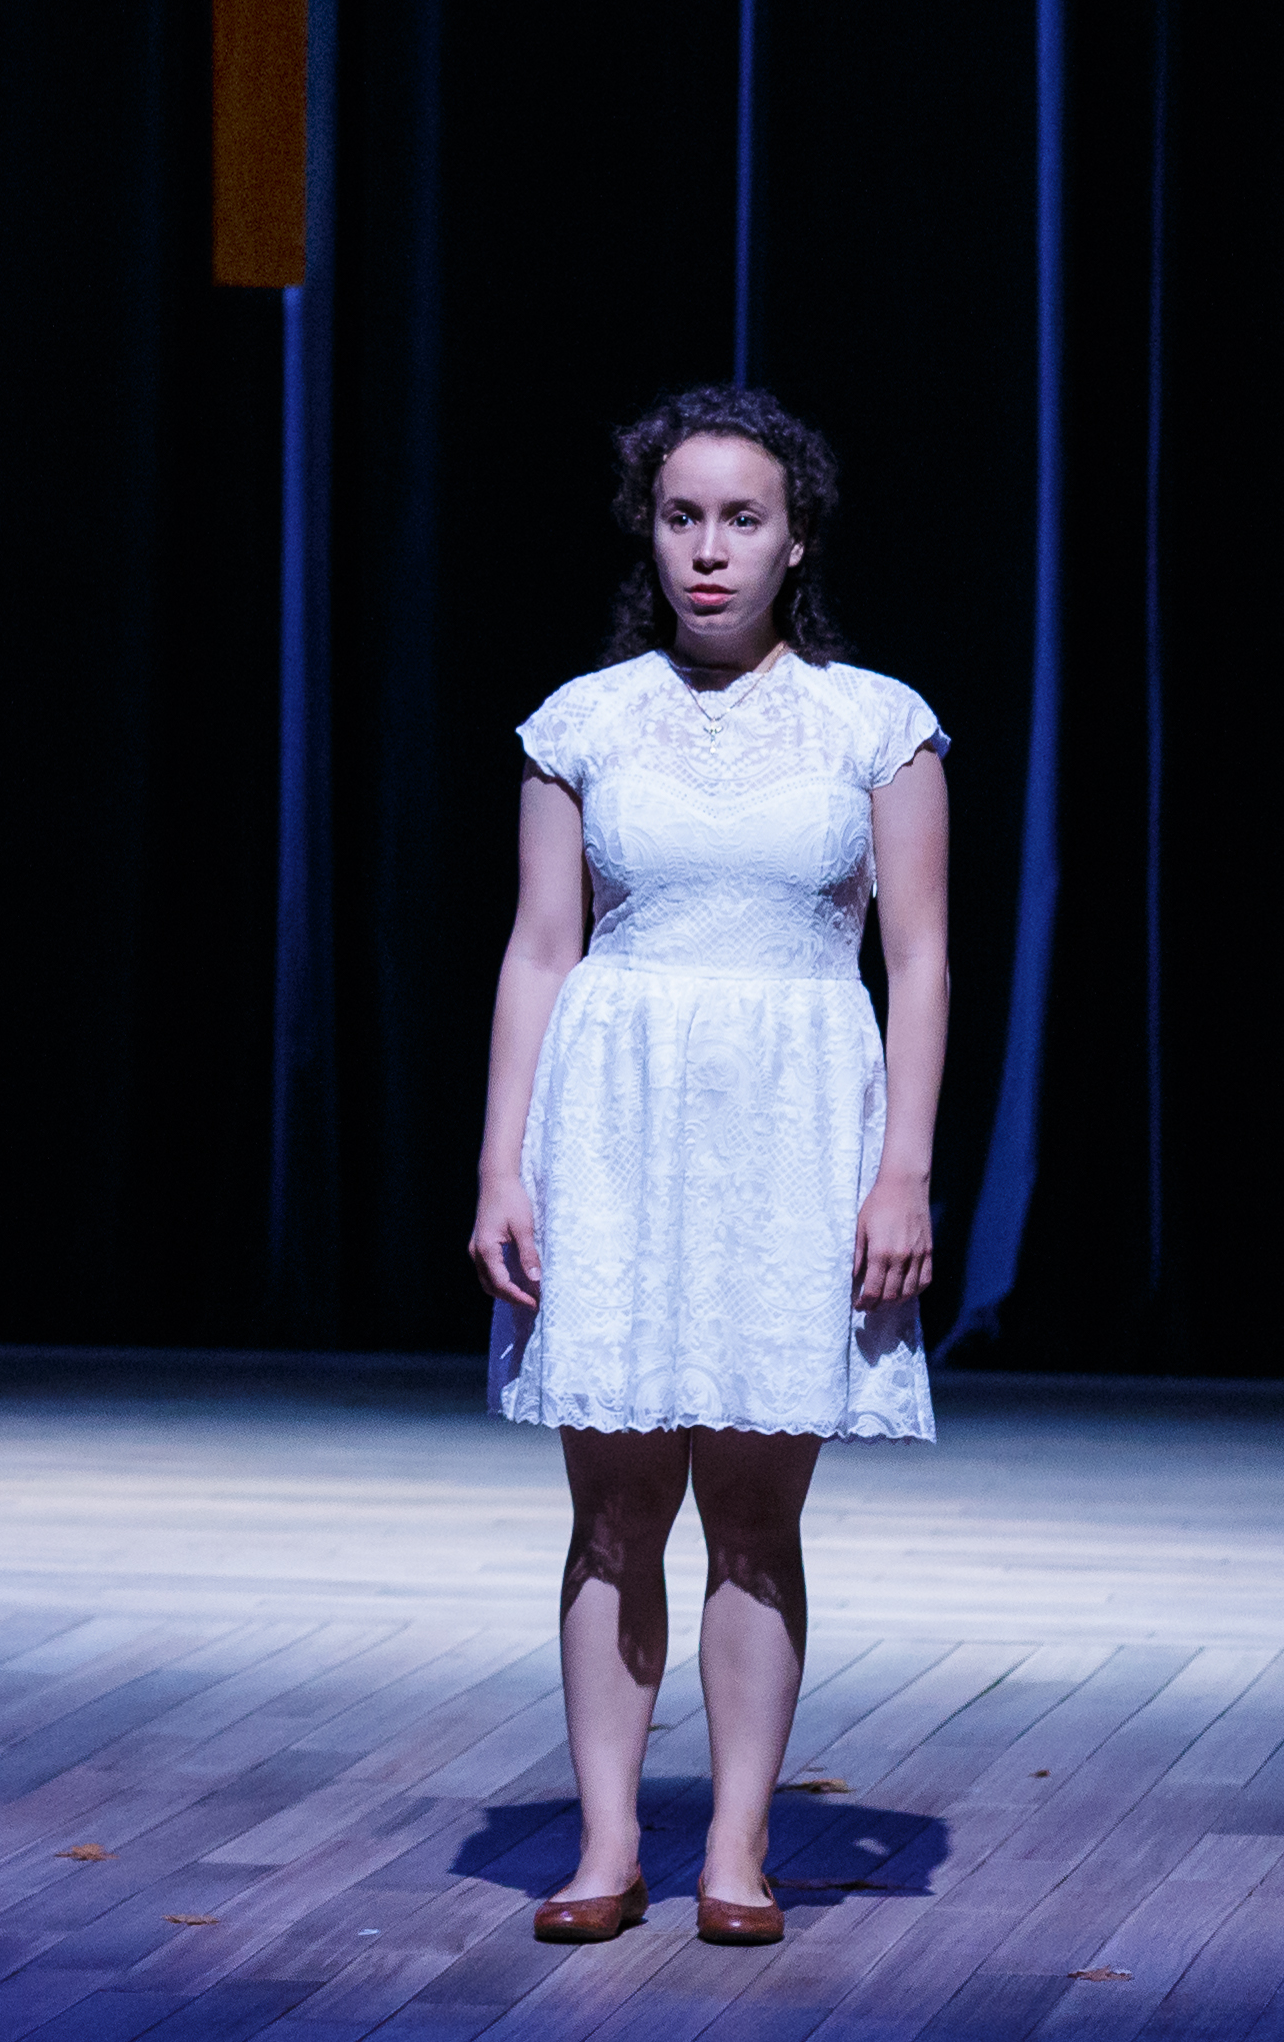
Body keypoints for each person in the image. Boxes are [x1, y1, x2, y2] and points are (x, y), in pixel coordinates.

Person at [467, 385, 947, 1951]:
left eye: (743, 518)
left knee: (751, 1511)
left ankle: (737, 1850)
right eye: (682, 517)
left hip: (797, 1121)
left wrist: (905, 1173)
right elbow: (540, 951)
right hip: (612, 1124)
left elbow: (922, 960)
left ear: (795, 537)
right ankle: (606, 1846)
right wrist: (501, 1166)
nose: (710, 549)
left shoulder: (876, 719)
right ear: (649, 534)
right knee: (612, 1508)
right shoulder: (583, 720)